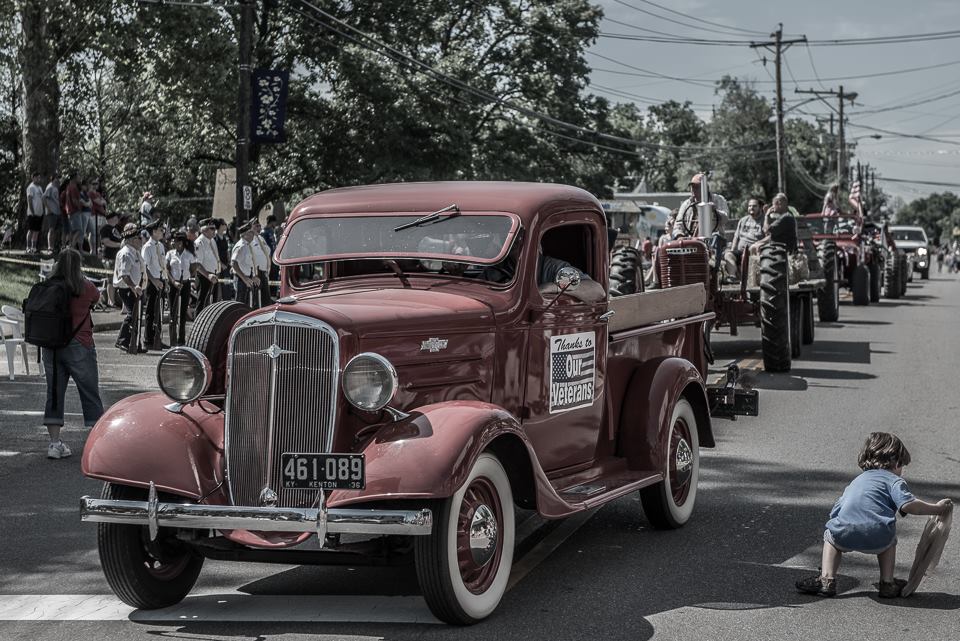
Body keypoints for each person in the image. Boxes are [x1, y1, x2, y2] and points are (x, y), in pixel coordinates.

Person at [795, 432, 952, 598]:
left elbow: (837, 510)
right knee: (889, 537)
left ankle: (827, 579)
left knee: (830, 537)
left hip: (845, 534)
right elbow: (909, 505)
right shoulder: (894, 481)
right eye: (902, 466)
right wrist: (936, 509)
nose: (902, 471)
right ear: (896, 461)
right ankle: (887, 583)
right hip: (878, 538)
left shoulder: (857, 481)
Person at [40, 248, 104, 458]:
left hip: (51, 346)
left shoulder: (48, 286)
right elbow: (96, 297)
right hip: (79, 343)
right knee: (89, 391)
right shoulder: (84, 286)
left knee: (55, 393)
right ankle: (96, 444)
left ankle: (54, 444)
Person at [666, 173, 730, 240]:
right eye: (692, 187)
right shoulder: (686, 204)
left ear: (705, 188)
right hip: (692, 240)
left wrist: (715, 211)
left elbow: (725, 219)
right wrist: (679, 236)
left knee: (716, 238)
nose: (693, 190)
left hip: (714, 238)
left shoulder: (718, 200)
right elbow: (678, 224)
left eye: (697, 187)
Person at [113, 223, 145, 352]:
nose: (141, 241)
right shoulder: (126, 253)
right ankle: (122, 340)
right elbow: (124, 275)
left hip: (135, 288)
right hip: (127, 288)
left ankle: (134, 342)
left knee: (137, 316)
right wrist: (133, 286)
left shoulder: (135, 252)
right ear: (132, 240)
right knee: (132, 315)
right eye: (139, 238)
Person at [722, 197, 766, 282]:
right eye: (749, 206)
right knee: (728, 255)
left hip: (755, 251)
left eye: (754, 206)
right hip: (740, 251)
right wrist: (732, 249)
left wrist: (758, 245)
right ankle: (733, 277)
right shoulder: (743, 220)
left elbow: (768, 237)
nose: (751, 208)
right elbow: (736, 237)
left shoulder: (764, 220)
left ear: (760, 207)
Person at [141, 220, 168, 349]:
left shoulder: (160, 246)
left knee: (160, 311)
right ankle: (148, 339)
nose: (162, 232)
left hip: (161, 280)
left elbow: (163, 265)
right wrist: (154, 280)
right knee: (151, 311)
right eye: (160, 230)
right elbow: (144, 267)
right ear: (153, 232)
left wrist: (165, 280)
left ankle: (157, 337)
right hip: (152, 282)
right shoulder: (147, 247)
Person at [166, 232, 196, 346]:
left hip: (185, 284)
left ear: (182, 243)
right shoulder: (170, 254)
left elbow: (193, 269)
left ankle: (181, 339)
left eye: (178, 241)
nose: (175, 243)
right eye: (174, 241)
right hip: (174, 284)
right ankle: (172, 339)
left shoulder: (189, 254)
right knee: (173, 312)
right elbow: (167, 269)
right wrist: (173, 281)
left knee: (183, 312)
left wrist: (186, 279)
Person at [194, 218, 222, 313]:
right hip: (204, 276)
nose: (215, 231)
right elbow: (197, 264)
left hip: (214, 275)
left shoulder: (212, 241)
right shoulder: (199, 242)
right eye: (212, 228)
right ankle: (198, 325)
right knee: (202, 303)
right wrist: (208, 275)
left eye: (215, 228)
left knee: (213, 305)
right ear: (204, 230)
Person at [231, 221, 259, 306]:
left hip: (247, 279)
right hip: (241, 279)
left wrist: (253, 276)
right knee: (240, 305)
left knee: (247, 305)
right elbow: (233, 263)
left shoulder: (248, 245)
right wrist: (244, 278)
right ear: (244, 234)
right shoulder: (241, 246)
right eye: (250, 232)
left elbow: (248, 264)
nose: (253, 235)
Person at [99, 212, 122, 307]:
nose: (118, 219)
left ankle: (114, 300)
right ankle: (110, 301)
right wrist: (119, 245)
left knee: (115, 279)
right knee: (110, 280)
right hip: (109, 257)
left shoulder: (116, 229)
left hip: (116, 258)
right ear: (111, 218)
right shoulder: (105, 228)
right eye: (116, 217)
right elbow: (106, 241)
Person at [250, 218, 273, 304]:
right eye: (256, 226)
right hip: (257, 272)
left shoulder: (261, 238)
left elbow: (268, 252)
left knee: (265, 297)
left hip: (264, 271)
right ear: (251, 227)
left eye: (259, 225)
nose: (259, 227)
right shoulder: (250, 239)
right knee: (258, 298)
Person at [24, 172, 45, 254]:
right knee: (31, 230)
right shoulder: (31, 187)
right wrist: (32, 211)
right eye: (36, 177)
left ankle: (34, 248)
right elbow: (29, 200)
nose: (38, 179)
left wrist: (42, 210)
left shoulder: (39, 187)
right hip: (32, 213)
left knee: (36, 231)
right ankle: (28, 247)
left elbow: (42, 199)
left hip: (40, 213)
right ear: (33, 178)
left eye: (39, 178)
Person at [63, 174, 83, 250]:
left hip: (69, 211)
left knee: (72, 230)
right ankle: (72, 246)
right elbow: (74, 200)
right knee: (79, 230)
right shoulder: (74, 187)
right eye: (79, 177)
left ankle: (70, 245)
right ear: (74, 178)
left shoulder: (68, 187)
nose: (80, 179)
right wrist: (79, 208)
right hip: (74, 211)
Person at [42, 173, 61, 253]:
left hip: (57, 212)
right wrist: (48, 208)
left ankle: (53, 247)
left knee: (56, 230)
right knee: (51, 229)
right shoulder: (50, 187)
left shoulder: (55, 188)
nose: (58, 180)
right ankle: (50, 247)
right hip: (51, 212)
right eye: (57, 178)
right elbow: (43, 197)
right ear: (53, 179)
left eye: (58, 178)